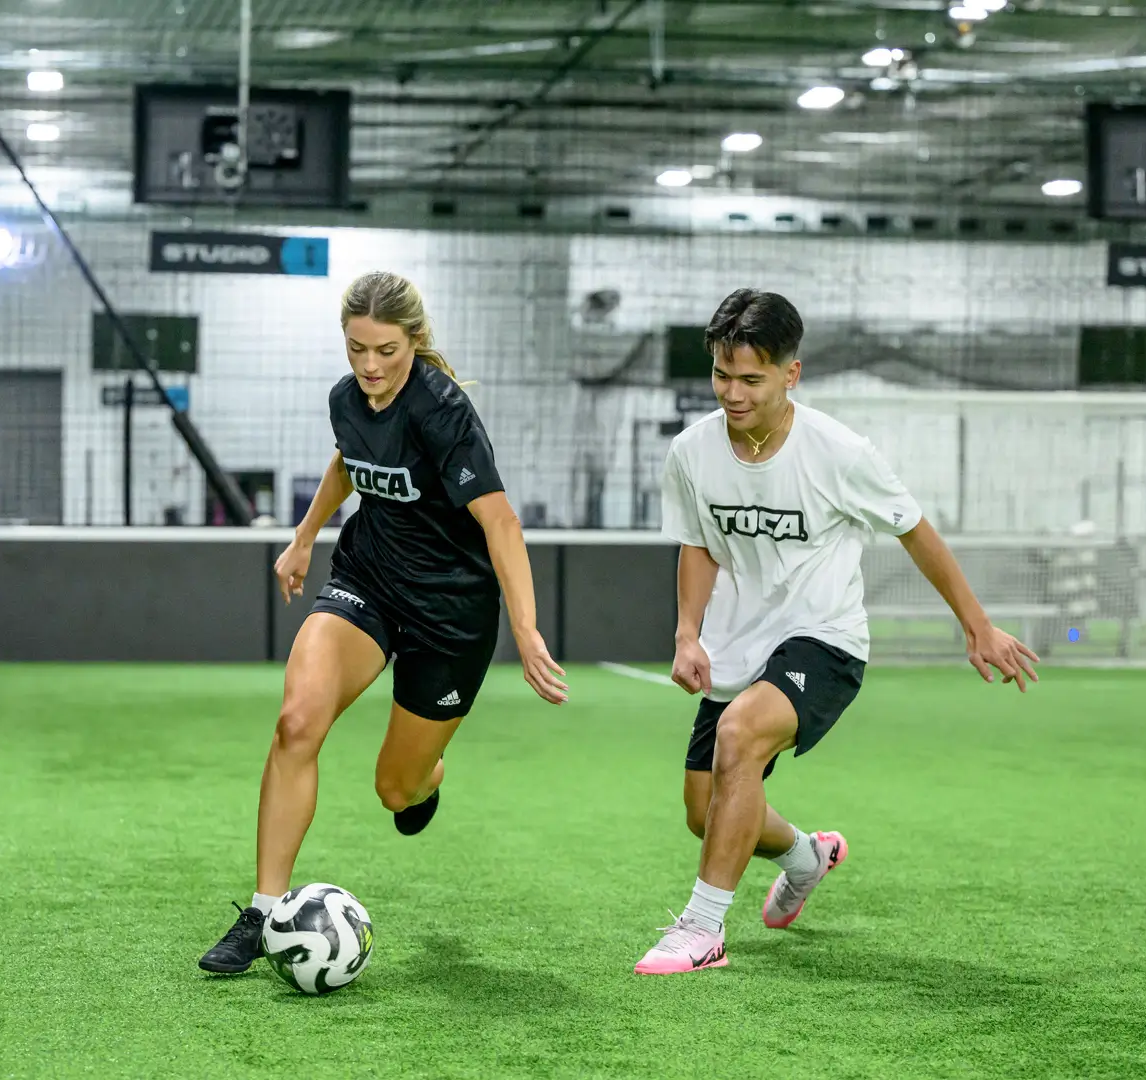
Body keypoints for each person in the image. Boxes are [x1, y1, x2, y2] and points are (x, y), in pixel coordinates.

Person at [632, 288, 1040, 975]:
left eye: (751, 379)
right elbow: (697, 544)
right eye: (722, 376)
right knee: (707, 815)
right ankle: (805, 856)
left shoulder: (840, 452)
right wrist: (686, 634)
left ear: (791, 374)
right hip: (737, 644)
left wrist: (977, 625)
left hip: (824, 640)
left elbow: (915, 531)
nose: (732, 393)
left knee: (739, 736)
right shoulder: (692, 452)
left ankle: (702, 931)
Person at [199, 270, 568, 974]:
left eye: (386, 351)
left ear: (414, 341)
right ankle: (262, 912)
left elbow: (501, 522)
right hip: (367, 580)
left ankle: (426, 775)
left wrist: (525, 628)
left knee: (396, 789)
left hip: (450, 614)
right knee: (296, 723)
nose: (370, 366)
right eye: (356, 348)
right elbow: (349, 462)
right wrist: (305, 535)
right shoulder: (347, 398)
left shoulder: (443, 411)